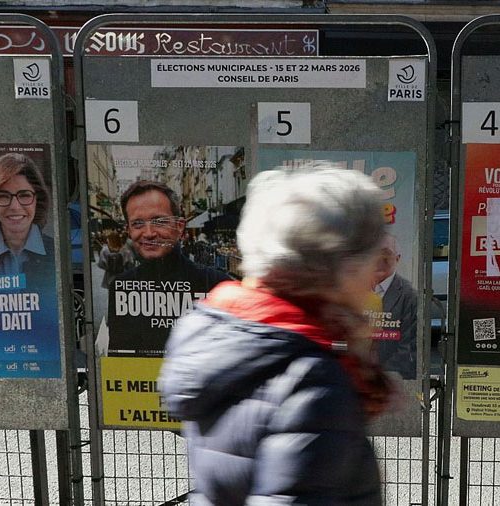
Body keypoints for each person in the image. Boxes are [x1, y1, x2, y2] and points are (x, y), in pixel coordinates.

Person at [159, 166, 394, 505]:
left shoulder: (233, 337)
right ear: (339, 266)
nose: (375, 273)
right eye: (372, 256)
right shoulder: (310, 379)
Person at [105, 180, 229, 355]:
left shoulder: (218, 286)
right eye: (138, 223)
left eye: (159, 221)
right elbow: (120, 359)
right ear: (129, 231)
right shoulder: (121, 288)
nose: (148, 233)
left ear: (179, 227)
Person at [0, 153, 54, 284]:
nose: (15, 206)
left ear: (38, 199)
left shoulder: (55, 251)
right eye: (3, 196)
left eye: (24, 195)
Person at [370, 233, 417, 379]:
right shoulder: (356, 289)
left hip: (389, 380)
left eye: (386, 254)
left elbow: (407, 349)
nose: (379, 259)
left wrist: (375, 377)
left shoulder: (409, 295)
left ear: (397, 258)